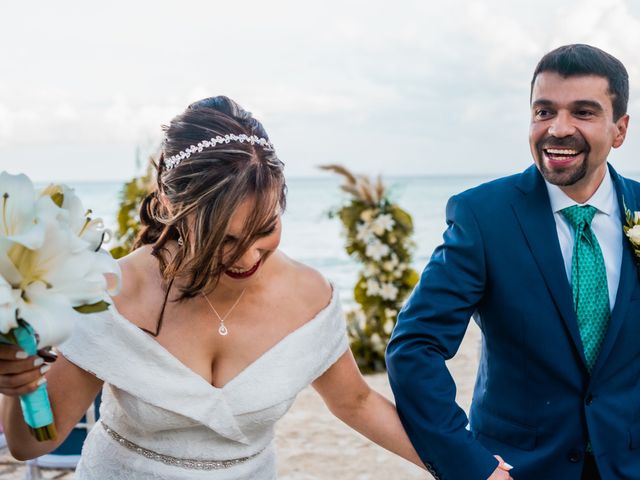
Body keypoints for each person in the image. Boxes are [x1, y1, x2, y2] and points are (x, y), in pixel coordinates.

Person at [0, 96, 424, 479]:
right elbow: (30, 444)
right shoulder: (106, 290)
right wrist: (20, 385)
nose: (247, 259)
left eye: (266, 229)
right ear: (170, 207)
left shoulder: (311, 297)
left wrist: (468, 468)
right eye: (223, 239)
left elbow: (357, 402)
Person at [386, 44, 640, 480]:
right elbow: (415, 347)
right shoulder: (483, 217)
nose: (558, 129)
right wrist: (467, 462)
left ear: (619, 129)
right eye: (544, 111)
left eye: (583, 112)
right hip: (518, 469)